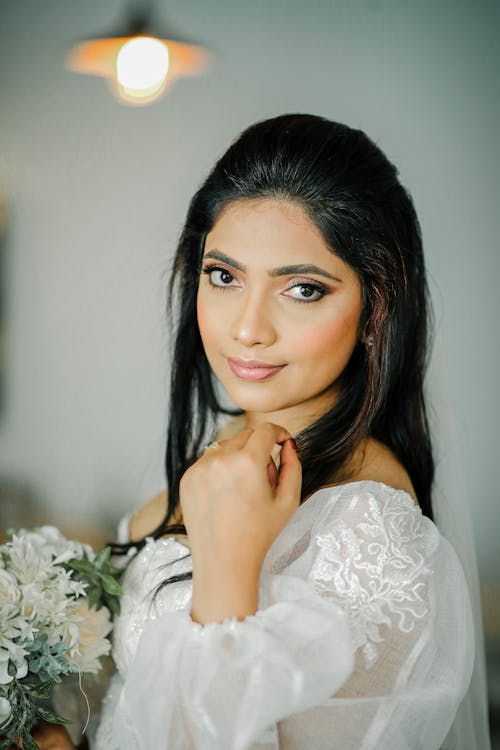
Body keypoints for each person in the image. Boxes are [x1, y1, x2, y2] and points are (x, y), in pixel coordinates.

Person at [31, 113, 488, 749]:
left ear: (374, 308)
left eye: (302, 289)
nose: (247, 328)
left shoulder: (369, 534)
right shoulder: (224, 457)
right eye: (223, 276)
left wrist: (226, 576)